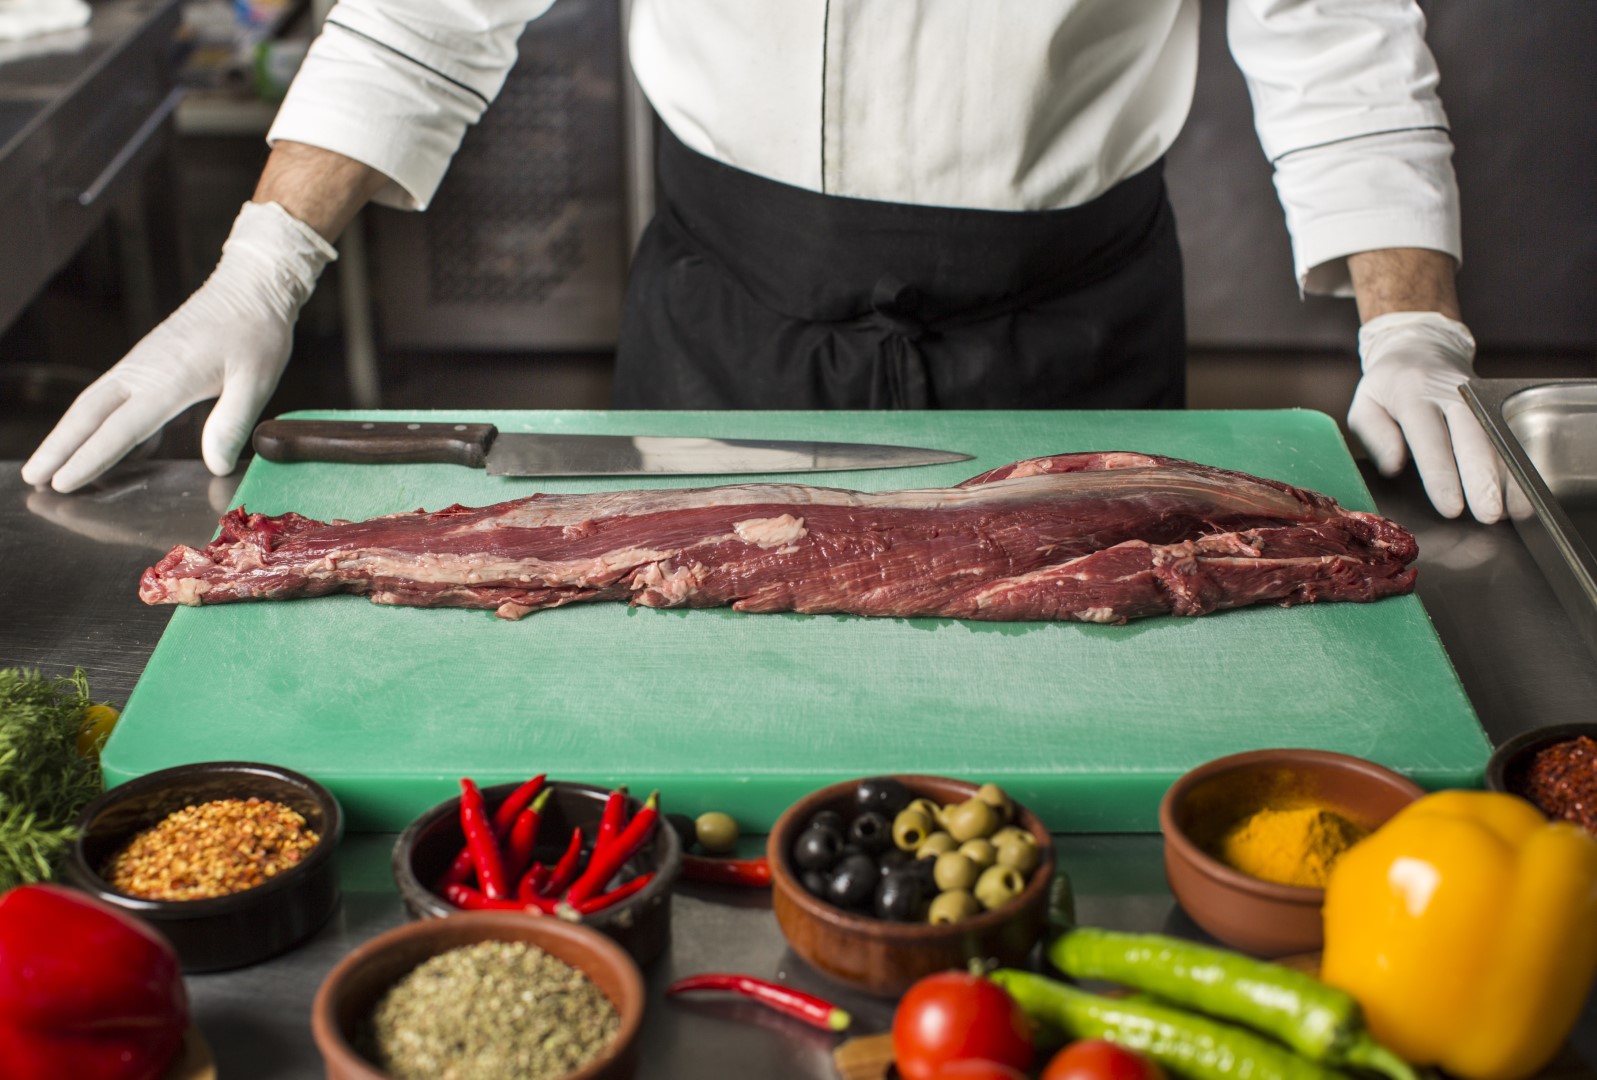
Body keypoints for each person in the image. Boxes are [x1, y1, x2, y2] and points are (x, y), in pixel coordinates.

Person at [22, 0, 1504, 523]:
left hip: (1069, 328)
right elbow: (424, 16)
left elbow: (1337, 36)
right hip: (727, 317)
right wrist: (261, 262)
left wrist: (1411, 328)